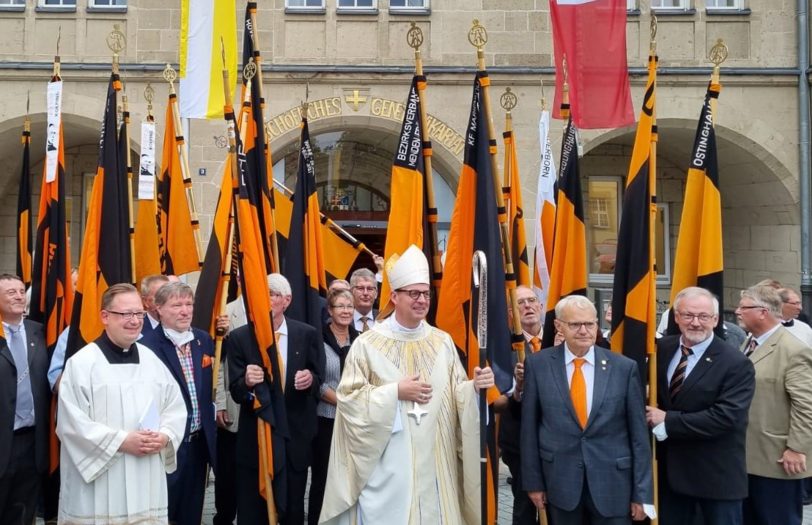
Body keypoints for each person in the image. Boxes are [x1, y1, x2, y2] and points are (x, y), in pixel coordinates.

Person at [320, 244, 495, 524]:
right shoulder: (367, 344)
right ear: (394, 296)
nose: (421, 300)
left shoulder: (442, 342)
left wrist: (474, 389)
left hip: (437, 464)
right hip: (388, 469)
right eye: (413, 293)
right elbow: (349, 401)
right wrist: (394, 393)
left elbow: (455, 395)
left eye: (425, 294)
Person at [56, 283, 187, 523]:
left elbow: (175, 407)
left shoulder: (152, 361)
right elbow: (71, 425)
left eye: (139, 313)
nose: (135, 320)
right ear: (105, 316)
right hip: (100, 482)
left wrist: (166, 435)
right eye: (126, 314)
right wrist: (122, 441)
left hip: (145, 474)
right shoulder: (82, 364)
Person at [521, 295, 653, 525]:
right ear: (558, 325)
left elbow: (639, 436)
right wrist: (533, 483)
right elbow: (529, 429)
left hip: (613, 486)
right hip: (560, 484)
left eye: (589, 324)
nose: (584, 330)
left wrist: (642, 494)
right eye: (575, 324)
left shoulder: (623, 368)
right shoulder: (538, 365)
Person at [645, 287, 755, 524]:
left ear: (715, 320)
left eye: (703, 316)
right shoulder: (661, 350)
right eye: (688, 315)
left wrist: (668, 421)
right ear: (676, 317)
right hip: (668, 480)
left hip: (715, 482)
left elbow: (725, 417)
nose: (695, 323)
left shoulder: (735, 363)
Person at [227, 273, 324, 524]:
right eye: (261, 294)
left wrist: (309, 379)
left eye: (272, 294)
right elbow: (237, 392)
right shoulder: (240, 338)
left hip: (295, 437)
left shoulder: (307, 334)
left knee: (292, 510)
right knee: (253, 510)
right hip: (257, 438)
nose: (265, 299)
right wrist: (247, 382)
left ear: (287, 300)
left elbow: (319, 377)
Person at [140, 282, 217, 525]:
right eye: (177, 305)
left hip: (198, 442)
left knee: (192, 511)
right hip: (168, 445)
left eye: (188, 304)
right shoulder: (146, 347)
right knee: (164, 511)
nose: (185, 311)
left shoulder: (203, 340)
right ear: (158, 309)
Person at [735, 284, 812, 525]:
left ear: (762, 312)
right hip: (748, 457)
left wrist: (796, 448)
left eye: (743, 307)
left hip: (778, 460)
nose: (737, 311)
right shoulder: (749, 342)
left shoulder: (793, 350)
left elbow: (806, 406)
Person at [0, 274, 49, 524]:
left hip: (32, 443)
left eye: (21, 291)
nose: (19, 296)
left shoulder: (39, 332)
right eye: (11, 292)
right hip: (2, 441)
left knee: (22, 513)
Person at [308, 288, 359, 525]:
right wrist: (341, 401)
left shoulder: (361, 341)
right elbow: (315, 380)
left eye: (349, 306)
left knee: (349, 477)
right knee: (322, 478)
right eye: (340, 306)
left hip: (353, 422)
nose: (346, 311)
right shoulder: (317, 339)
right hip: (325, 419)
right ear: (330, 310)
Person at [500, 285, 543, 525]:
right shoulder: (504, 347)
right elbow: (503, 398)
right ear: (510, 313)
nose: (527, 306)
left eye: (531, 300)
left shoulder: (560, 340)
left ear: (540, 305)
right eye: (520, 303)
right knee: (525, 505)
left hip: (556, 441)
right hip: (519, 441)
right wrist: (518, 387)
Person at [213, 297, 246, 525]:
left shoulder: (272, 308)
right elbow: (218, 361)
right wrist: (220, 402)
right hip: (232, 407)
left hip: (262, 408)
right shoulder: (224, 311)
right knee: (228, 475)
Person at [350, 268, 378, 332]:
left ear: (376, 293)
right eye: (360, 288)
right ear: (351, 292)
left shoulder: (385, 320)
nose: (365, 293)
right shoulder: (342, 319)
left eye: (370, 289)